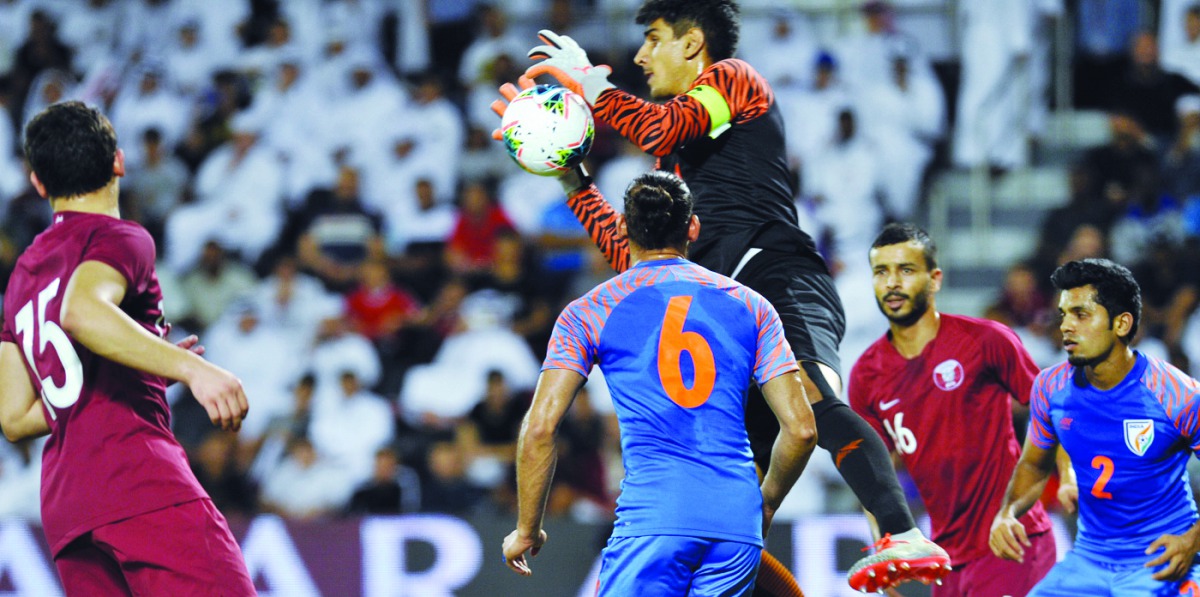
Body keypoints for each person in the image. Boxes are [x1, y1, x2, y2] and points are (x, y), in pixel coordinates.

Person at [493, 0, 949, 590]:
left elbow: (656, 124)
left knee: (808, 400)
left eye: (653, 39)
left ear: (691, 44)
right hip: (730, 309)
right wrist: (571, 175)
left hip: (777, 273)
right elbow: (632, 251)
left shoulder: (733, 80)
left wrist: (588, 81)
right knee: (734, 505)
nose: (640, 56)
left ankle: (900, 530)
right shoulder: (672, 164)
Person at [501, 171, 817, 596]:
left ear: (621, 228)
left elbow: (540, 428)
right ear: (693, 227)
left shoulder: (589, 311)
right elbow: (801, 429)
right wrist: (766, 502)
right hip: (735, 522)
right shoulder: (751, 305)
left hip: (653, 519)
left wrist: (527, 528)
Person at [0, 101, 255, 596]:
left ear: (39, 183)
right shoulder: (118, 237)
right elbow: (83, 312)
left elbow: (13, 415)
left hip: (67, 505)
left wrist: (140, 361)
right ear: (119, 161)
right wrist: (190, 370)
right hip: (136, 475)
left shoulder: (22, 278)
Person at [849, 223, 1056, 595]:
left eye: (906, 270)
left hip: (1011, 542)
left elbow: (1055, 410)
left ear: (935, 279)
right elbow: (873, 476)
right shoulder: (867, 375)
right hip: (947, 562)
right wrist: (885, 551)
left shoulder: (987, 340)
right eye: (881, 272)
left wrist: (1070, 476)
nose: (892, 283)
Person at [990, 258, 1200, 594]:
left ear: (1121, 323)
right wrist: (1008, 512)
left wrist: (1192, 540)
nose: (1065, 326)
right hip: (1089, 559)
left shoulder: (1177, 395)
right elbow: (1032, 464)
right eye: (1063, 314)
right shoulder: (1050, 387)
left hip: (1161, 559)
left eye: (1081, 314)